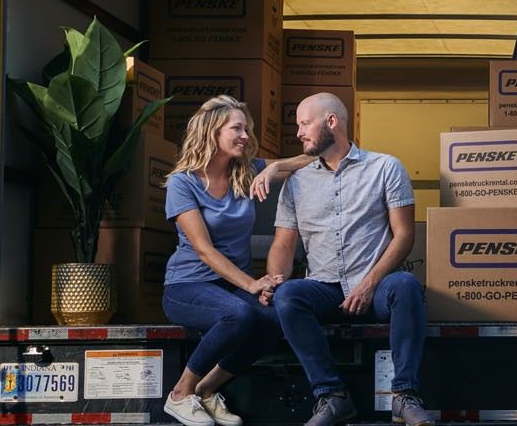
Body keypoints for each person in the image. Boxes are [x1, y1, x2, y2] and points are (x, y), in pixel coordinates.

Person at [260, 92, 434, 426]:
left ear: (331, 122)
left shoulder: (386, 167)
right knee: (288, 296)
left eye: (304, 123)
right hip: (323, 288)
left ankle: (405, 395)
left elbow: (404, 236)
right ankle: (331, 396)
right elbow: (284, 244)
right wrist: (273, 281)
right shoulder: (296, 182)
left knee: (407, 286)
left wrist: (369, 284)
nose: (298, 133)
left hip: (376, 287)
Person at [160, 95, 314, 426]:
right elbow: (204, 249)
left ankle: (205, 390)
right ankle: (180, 394)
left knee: (275, 320)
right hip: (187, 285)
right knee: (239, 315)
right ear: (212, 132)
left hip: (229, 285)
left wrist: (274, 167)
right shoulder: (182, 183)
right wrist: (251, 283)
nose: (245, 135)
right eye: (237, 128)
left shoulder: (246, 171)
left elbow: (309, 159)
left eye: (247, 129)